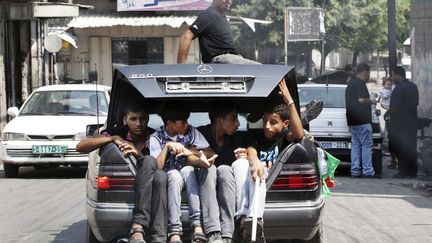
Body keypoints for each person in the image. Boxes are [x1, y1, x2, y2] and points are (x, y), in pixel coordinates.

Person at [76, 103, 167, 243]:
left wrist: (138, 155)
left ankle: (145, 230)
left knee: (156, 171)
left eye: (142, 119)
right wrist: (112, 139)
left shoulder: (155, 136)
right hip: (129, 191)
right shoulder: (117, 131)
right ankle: (140, 228)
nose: (139, 123)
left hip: (156, 185)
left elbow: (158, 165)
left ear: (148, 119)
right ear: (125, 119)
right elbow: (81, 146)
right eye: (133, 119)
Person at [234, 79, 305, 242]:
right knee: (245, 166)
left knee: (261, 173)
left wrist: (290, 101)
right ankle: (245, 218)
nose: (267, 126)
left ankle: (253, 219)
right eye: (265, 121)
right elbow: (251, 151)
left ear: (285, 124)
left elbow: (299, 135)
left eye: (273, 122)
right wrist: (255, 161)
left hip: (268, 181)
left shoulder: (283, 137)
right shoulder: (256, 136)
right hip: (253, 180)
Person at [148, 102, 222, 243]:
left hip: (188, 171)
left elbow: (210, 151)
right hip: (170, 175)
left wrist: (188, 150)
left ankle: (197, 226)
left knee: (188, 171)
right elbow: (157, 167)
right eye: (182, 122)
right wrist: (167, 147)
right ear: (170, 123)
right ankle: (174, 230)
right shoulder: (156, 138)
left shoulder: (191, 132)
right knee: (174, 176)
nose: (186, 124)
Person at [197, 103, 243, 243]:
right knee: (209, 168)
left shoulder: (237, 140)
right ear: (219, 120)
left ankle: (227, 234)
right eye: (233, 118)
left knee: (224, 169)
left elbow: (251, 151)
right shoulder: (199, 134)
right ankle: (213, 233)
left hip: (227, 184)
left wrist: (246, 156)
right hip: (203, 182)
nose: (238, 123)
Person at [177, 0, 260, 64]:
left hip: (230, 58)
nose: (228, 0)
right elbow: (186, 37)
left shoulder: (221, 17)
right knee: (258, 68)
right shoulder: (208, 14)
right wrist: (180, 69)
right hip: (219, 59)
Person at [345, 63, 378, 178]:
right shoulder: (359, 83)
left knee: (355, 146)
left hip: (352, 121)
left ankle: (355, 171)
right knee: (366, 146)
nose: (369, 76)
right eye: (369, 73)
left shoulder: (351, 83)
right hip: (362, 120)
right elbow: (361, 100)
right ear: (365, 72)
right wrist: (372, 101)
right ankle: (368, 171)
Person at [387, 66, 419, 179]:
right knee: (411, 147)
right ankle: (412, 172)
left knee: (400, 148)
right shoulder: (413, 87)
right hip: (411, 123)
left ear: (397, 75)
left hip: (400, 124)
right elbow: (415, 104)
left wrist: (387, 113)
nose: (392, 78)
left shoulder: (398, 89)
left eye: (393, 75)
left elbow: (394, 108)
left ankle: (403, 172)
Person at [379, 77, 398, 169]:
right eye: (388, 85)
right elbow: (383, 98)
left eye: (390, 85)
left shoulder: (393, 90)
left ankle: (394, 159)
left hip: (390, 114)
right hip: (387, 113)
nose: (389, 86)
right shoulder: (386, 92)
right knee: (388, 136)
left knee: (390, 138)